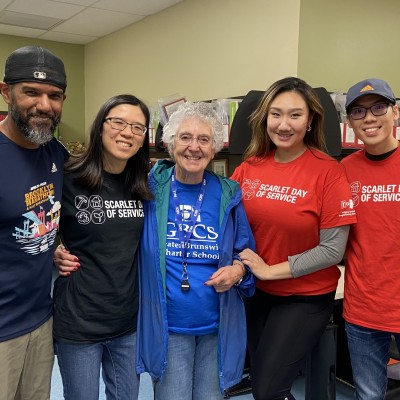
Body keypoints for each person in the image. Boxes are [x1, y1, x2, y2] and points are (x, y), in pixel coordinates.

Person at [231, 77, 357, 400]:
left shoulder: (329, 172)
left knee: (266, 389)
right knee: (267, 382)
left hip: (304, 296)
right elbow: (226, 222)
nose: (283, 124)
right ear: (265, 118)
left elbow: (332, 250)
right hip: (256, 294)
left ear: (310, 120)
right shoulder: (249, 168)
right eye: (276, 114)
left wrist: (271, 269)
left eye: (295, 115)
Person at [136, 101, 256, 399]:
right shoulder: (149, 189)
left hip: (218, 327)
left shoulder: (228, 193)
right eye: (185, 137)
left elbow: (247, 252)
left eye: (204, 139)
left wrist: (238, 270)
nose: (194, 147)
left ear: (214, 147)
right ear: (170, 143)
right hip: (169, 326)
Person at [52, 94, 152, 400]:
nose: (127, 132)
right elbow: (32, 224)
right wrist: (53, 248)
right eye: (118, 122)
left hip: (127, 321)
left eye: (138, 127)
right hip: (79, 322)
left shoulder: (144, 185)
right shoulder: (69, 177)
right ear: (100, 127)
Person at [0, 45, 68, 400]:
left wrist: (57, 247)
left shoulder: (56, 153)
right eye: (31, 92)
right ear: (6, 91)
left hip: (41, 319)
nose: (44, 105)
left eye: (54, 95)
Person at [341, 78, 400, 400]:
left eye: (378, 107)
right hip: (363, 307)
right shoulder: (344, 170)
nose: (369, 118)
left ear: (395, 112)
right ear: (350, 122)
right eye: (359, 112)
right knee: (368, 395)